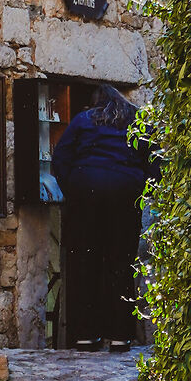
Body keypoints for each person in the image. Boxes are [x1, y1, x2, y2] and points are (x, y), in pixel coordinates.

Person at [51, 85, 155, 348]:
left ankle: (85, 334)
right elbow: (154, 158)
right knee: (121, 263)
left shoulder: (84, 120)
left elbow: (61, 156)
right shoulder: (136, 120)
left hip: (87, 190)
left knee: (85, 262)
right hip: (124, 191)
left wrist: (72, 188)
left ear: (95, 103)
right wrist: (141, 186)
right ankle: (120, 336)